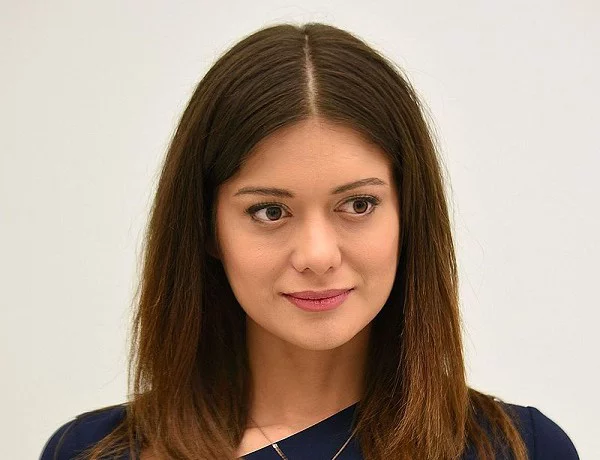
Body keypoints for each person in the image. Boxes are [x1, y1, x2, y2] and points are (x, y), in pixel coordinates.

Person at [40, 23, 579, 460]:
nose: (318, 255)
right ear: (207, 230)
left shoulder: (520, 450)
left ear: (409, 216)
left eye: (358, 205)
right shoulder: (91, 452)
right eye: (270, 211)